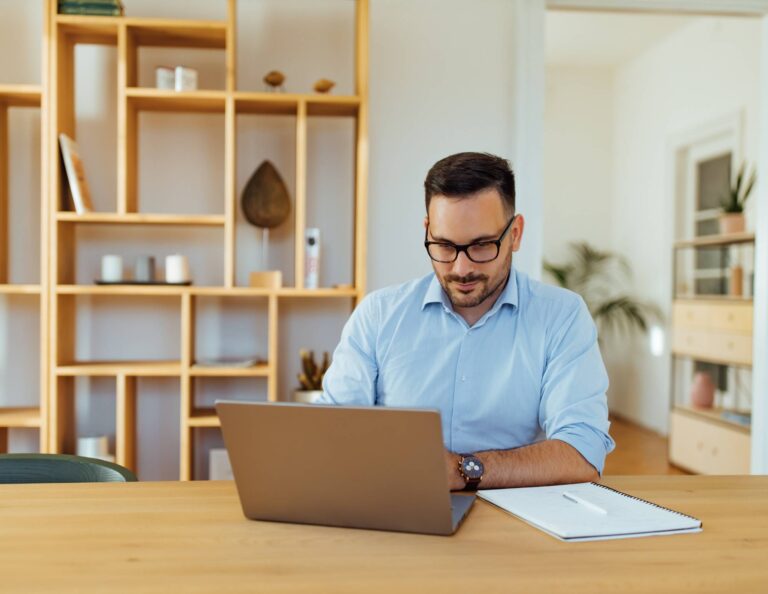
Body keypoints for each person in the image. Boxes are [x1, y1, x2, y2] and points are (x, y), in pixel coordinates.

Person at [319, 152, 614, 491]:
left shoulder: (562, 317)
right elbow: (333, 431)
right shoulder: (378, 315)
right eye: (444, 246)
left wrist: (462, 471)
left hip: (516, 518)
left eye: (482, 245)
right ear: (427, 230)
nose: (461, 269)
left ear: (515, 234)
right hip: (399, 509)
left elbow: (583, 454)